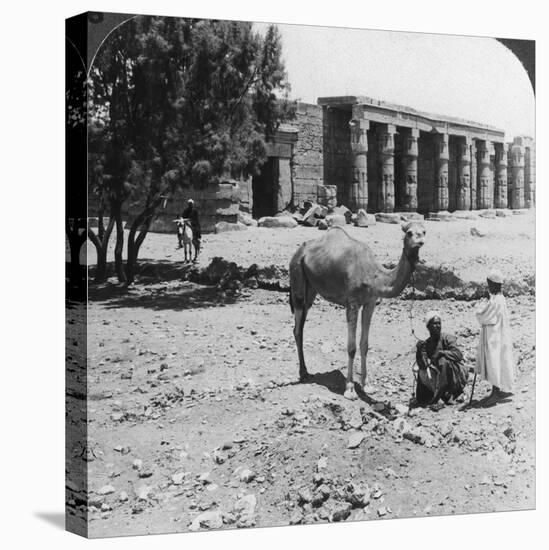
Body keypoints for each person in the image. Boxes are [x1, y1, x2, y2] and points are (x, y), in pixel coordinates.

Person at [475, 270, 516, 404]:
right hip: (498, 335)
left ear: (493, 284)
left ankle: (496, 392)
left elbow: (482, 316)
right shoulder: (499, 298)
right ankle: (497, 390)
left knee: (494, 362)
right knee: (499, 361)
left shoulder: (495, 300)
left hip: (494, 337)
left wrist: (484, 301)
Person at [415, 311, 469, 407]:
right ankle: (438, 395)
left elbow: (458, 355)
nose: (438, 326)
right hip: (438, 376)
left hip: (455, 374)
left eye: (439, 323)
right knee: (421, 371)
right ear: (428, 327)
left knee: (443, 361)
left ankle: (446, 395)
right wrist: (419, 351)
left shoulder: (447, 338)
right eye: (434, 324)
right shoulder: (427, 344)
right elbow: (423, 365)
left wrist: (441, 353)